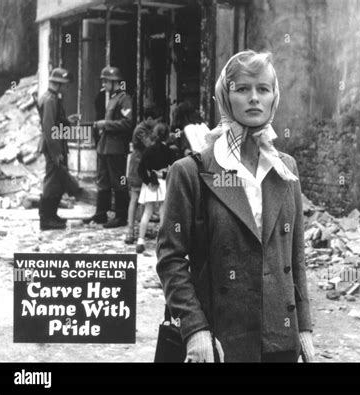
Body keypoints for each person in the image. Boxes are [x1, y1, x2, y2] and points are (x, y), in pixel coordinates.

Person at [156, 50, 315, 362]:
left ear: (274, 98)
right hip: (219, 341)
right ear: (225, 97)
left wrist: (303, 327)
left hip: (278, 341)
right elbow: (170, 259)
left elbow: (295, 258)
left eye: (263, 89)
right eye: (242, 89)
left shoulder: (285, 169)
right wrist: (195, 328)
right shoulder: (190, 171)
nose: (254, 98)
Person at [83, 66, 133, 228]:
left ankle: (121, 216)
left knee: (119, 182)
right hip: (104, 147)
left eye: (106, 81)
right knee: (103, 181)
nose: (104, 84)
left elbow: (127, 123)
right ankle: (100, 214)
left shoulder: (124, 99)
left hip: (116, 148)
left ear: (114, 82)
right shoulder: (111, 98)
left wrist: (106, 124)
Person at [37, 67, 80, 231]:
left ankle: (51, 216)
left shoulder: (52, 98)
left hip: (57, 144)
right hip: (53, 146)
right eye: (66, 85)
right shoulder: (50, 100)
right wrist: (56, 153)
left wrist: (68, 120)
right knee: (51, 181)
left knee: (58, 182)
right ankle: (46, 219)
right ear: (59, 84)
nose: (67, 88)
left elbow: (56, 122)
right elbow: (49, 128)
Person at [124, 106, 163, 245]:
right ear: (149, 119)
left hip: (146, 165)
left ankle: (141, 229)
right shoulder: (140, 130)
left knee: (144, 200)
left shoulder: (148, 128)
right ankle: (130, 231)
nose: (156, 124)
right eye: (155, 121)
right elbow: (150, 145)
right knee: (135, 198)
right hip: (137, 165)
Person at [135, 123, 176, 254]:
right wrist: (163, 174)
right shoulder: (169, 151)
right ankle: (163, 242)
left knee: (147, 212)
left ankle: (140, 241)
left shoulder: (148, 150)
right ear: (167, 135)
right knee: (163, 212)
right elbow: (174, 169)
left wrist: (148, 182)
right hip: (163, 183)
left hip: (150, 183)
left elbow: (140, 169)